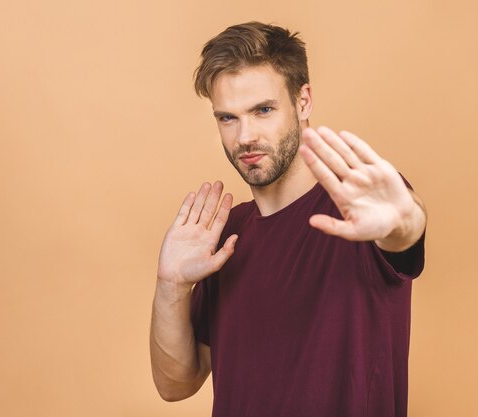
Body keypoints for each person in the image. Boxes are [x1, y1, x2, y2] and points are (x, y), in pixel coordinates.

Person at [149, 21, 426, 417]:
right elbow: (175, 385)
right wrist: (171, 285)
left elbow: (404, 230)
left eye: (263, 110)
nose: (245, 136)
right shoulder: (224, 235)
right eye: (228, 118)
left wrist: (406, 221)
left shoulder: (362, 209)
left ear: (303, 101)